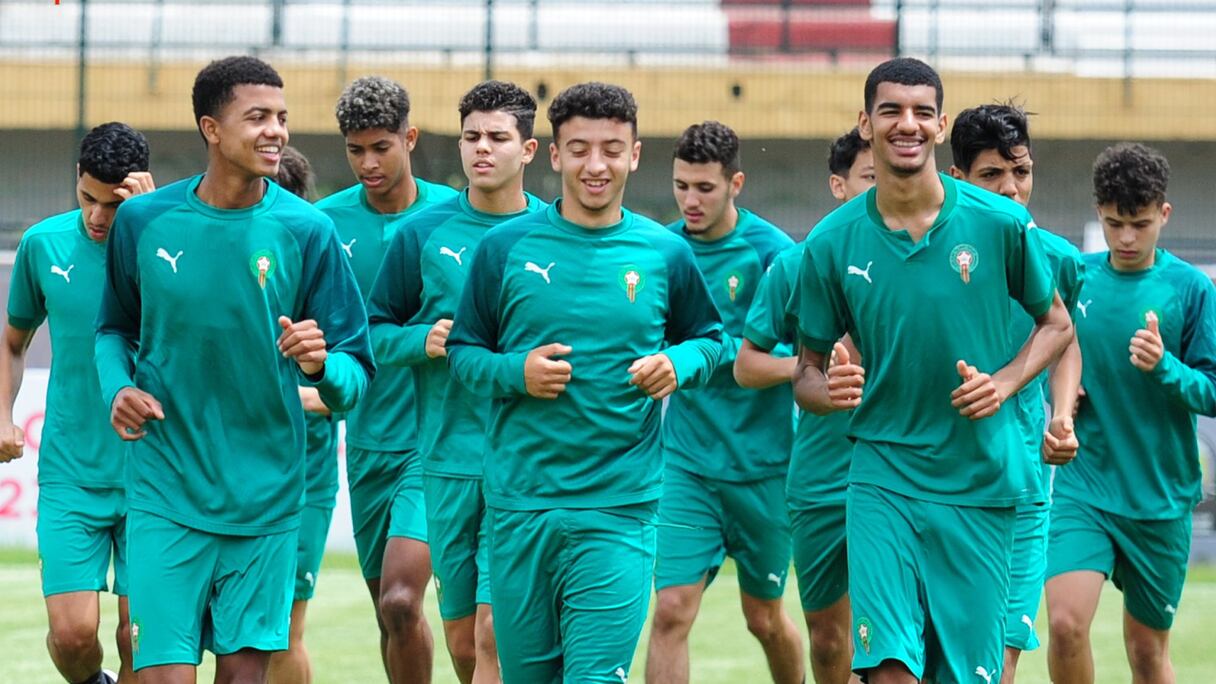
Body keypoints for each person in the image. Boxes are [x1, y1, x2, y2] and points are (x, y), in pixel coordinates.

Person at [791, 57, 1073, 683]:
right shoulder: (831, 242)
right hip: (881, 478)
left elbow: (1057, 325)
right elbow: (805, 374)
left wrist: (1004, 383)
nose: (906, 124)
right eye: (890, 110)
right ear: (866, 123)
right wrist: (825, 388)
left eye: (921, 111)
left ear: (941, 125)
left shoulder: (1001, 224)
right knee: (889, 670)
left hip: (980, 482)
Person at [94, 55, 374, 684]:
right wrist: (119, 387)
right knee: (162, 674)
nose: (275, 130)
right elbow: (114, 328)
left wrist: (324, 367)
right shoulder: (144, 220)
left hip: (268, 498)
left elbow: (356, 375)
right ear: (211, 128)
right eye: (257, 117)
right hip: (166, 490)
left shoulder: (308, 231)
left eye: (281, 117)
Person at [446, 81, 723, 683]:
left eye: (611, 149)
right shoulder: (503, 247)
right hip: (521, 505)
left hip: (619, 507)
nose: (596, 165)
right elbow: (464, 354)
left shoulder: (663, 252)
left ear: (635, 154)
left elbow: (712, 338)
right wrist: (515, 372)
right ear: (553, 154)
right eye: (579, 149)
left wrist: (679, 363)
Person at [366, 79, 544, 684]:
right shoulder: (420, 233)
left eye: (498, 137)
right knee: (466, 644)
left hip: (525, 462)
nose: (481, 149)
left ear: (529, 150)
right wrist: (424, 340)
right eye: (471, 136)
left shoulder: (556, 233)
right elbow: (374, 333)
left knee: (497, 633)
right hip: (442, 461)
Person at [1045, 143, 1216, 684]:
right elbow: (1051, 351)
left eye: (1139, 224)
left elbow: (1211, 390)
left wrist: (1164, 367)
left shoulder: (1190, 289)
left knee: (1147, 654)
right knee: (1067, 625)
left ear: (1163, 214)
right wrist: (1065, 397)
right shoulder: (1075, 276)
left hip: (1159, 499)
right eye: (1114, 223)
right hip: (1084, 486)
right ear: (1099, 211)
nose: (1125, 238)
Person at [645, 120, 803, 684]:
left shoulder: (775, 254)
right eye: (681, 185)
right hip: (687, 464)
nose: (690, 200)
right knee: (670, 612)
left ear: (736, 183)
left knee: (763, 618)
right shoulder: (661, 250)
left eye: (704, 188)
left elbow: (803, 355)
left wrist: (727, 355)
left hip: (765, 470)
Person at [316, 74, 458, 683]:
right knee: (391, 615)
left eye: (381, 147)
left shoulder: (452, 218)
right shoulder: (321, 225)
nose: (368, 163)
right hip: (367, 445)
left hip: (437, 444)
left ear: (411, 138)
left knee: (404, 598)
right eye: (355, 150)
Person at [0, 121, 153, 684]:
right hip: (71, 473)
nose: (96, 216)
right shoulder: (43, 245)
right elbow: (12, 343)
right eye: (87, 197)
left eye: (112, 205)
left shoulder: (167, 246)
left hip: (153, 474)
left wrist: (150, 227)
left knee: (140, 638)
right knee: (71, 636)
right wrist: (2, 415)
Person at [948, 103, 1085, 683]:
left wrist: (1063, 416)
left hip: (1024, 483)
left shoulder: (1058, 258)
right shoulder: (934, 255)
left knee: (998, 663)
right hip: (937, 483)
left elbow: (1063, 337)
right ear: (958, 179)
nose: (1010, 188)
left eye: (1020, 172)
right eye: (991, 175)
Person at [733, 127, 874, 684]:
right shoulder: (796, 266)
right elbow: (746, 364)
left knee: (895, 633)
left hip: (904, 472)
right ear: (838, 185)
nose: (880, 186)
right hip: (818, 479)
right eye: (867, 177)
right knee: (828, 636)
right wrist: (811, 371)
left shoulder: (925, 259)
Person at [265, 146, 341, 684]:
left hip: (305, 479)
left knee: (286, 631)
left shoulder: (325, 280)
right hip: (229, 476)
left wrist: (288, 397)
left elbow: (347, 385)